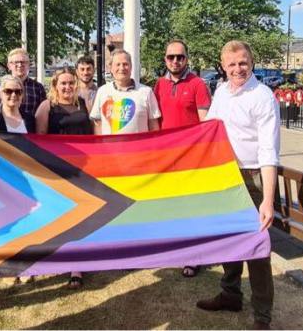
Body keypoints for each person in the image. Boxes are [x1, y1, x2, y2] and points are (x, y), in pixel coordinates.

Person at [196, 40, 279, 330]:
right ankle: (231, 294)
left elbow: (269, 151)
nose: (237, 69)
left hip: (253, 177)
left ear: (252, 62)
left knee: (257, 250)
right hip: (226, 177)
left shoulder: (263, 96)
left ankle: (262, 317)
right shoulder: (221, 92)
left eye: (242, 63)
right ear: (223, 66)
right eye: (231, 64)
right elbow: (210, 130)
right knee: (230, 242)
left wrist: (268, 200)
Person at [153, 39, 211, 278]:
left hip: (191, 159)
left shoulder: (198, 84)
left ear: (187, 58)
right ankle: (175, 250)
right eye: (170, 57)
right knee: (172, 208)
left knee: (192, 208)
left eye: (180, 57)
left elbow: (206, 123)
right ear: (165, 59)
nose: (175, 61)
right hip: (167, 158)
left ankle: (193, 256)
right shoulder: (158, 85)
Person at [35, 68, 95, 289]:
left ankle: (76, 266)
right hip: (57, 171)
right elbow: (40, 140)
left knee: (79, 217)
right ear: (55, 86)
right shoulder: (46, 107)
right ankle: (54, 258)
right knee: (56, 217)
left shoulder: (83, 103)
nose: (68, 87)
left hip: (82, 169)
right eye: (63, 84)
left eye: (71, 83)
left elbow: (92, 133)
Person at [90, 49, 161, 135]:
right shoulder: (102, 91)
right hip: (110, 148)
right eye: (118, 64)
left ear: (131, 67)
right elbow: (98, 124)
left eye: (125, 64)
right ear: (111, 68)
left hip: (139, 148)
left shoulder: (146, 92)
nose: (122, 68)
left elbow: (154, 126)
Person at [6, 48, 46, 120]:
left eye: (23, 62)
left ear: (28, 65)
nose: (20, 65)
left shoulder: (38, 88)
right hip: (6, 129)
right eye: (16, 62)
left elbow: (43, 114)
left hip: (30, 129)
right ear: (9, 66)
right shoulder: (1, 87)